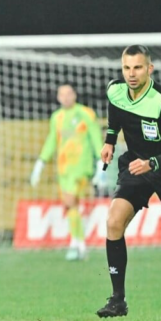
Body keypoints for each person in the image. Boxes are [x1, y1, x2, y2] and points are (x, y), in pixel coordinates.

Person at [97, 45, 161, 318]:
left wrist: (154, 163)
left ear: (149, 69)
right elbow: (115, 113)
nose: (131, 74)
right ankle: (117, 300)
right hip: (137, 166)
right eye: (127, 68)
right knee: (114, 221)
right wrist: (110, 140)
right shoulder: (116, 90)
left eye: (137, 67)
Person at [29, 84, 104, 261]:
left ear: (75, 95)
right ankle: (78, 244)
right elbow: (52, 140)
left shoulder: (85, 113)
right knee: (71, 206)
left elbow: (95, 136)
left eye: (69, 93)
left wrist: (101, 162)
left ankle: (77, 243)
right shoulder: (57, 117)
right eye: (62, 94)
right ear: (58, 98)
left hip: (81, 167)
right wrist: (40, 163)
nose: (66, 97)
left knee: (70, 201)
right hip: (63, 168)